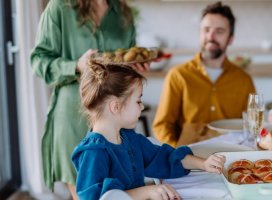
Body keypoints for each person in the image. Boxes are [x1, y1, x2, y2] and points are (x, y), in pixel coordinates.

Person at [30, 0, 149, 198]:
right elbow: (38, 61)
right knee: (86, 194)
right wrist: (76, 65)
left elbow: (126, 61)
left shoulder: (122, 13)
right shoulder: (60, 8)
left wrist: (135, 67)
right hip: (72, 119)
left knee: (119, 191)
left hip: (117, 119)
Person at [72, 61, 225, 200]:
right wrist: (147, 192)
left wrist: (203, 164)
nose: (142, 106)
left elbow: (164, 157)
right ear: (115, 107)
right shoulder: (93, 152)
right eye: (138, 101)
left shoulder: (130, 139)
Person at [153, 1, 256, 147]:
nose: (211, 36)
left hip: (231, 157)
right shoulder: (178, 75)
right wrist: (178, 154)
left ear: (230, 39)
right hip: (188, 157)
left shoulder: (244, 80)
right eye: (206, 30)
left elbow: (251, 128)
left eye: (219, 31)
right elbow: (162, 125)